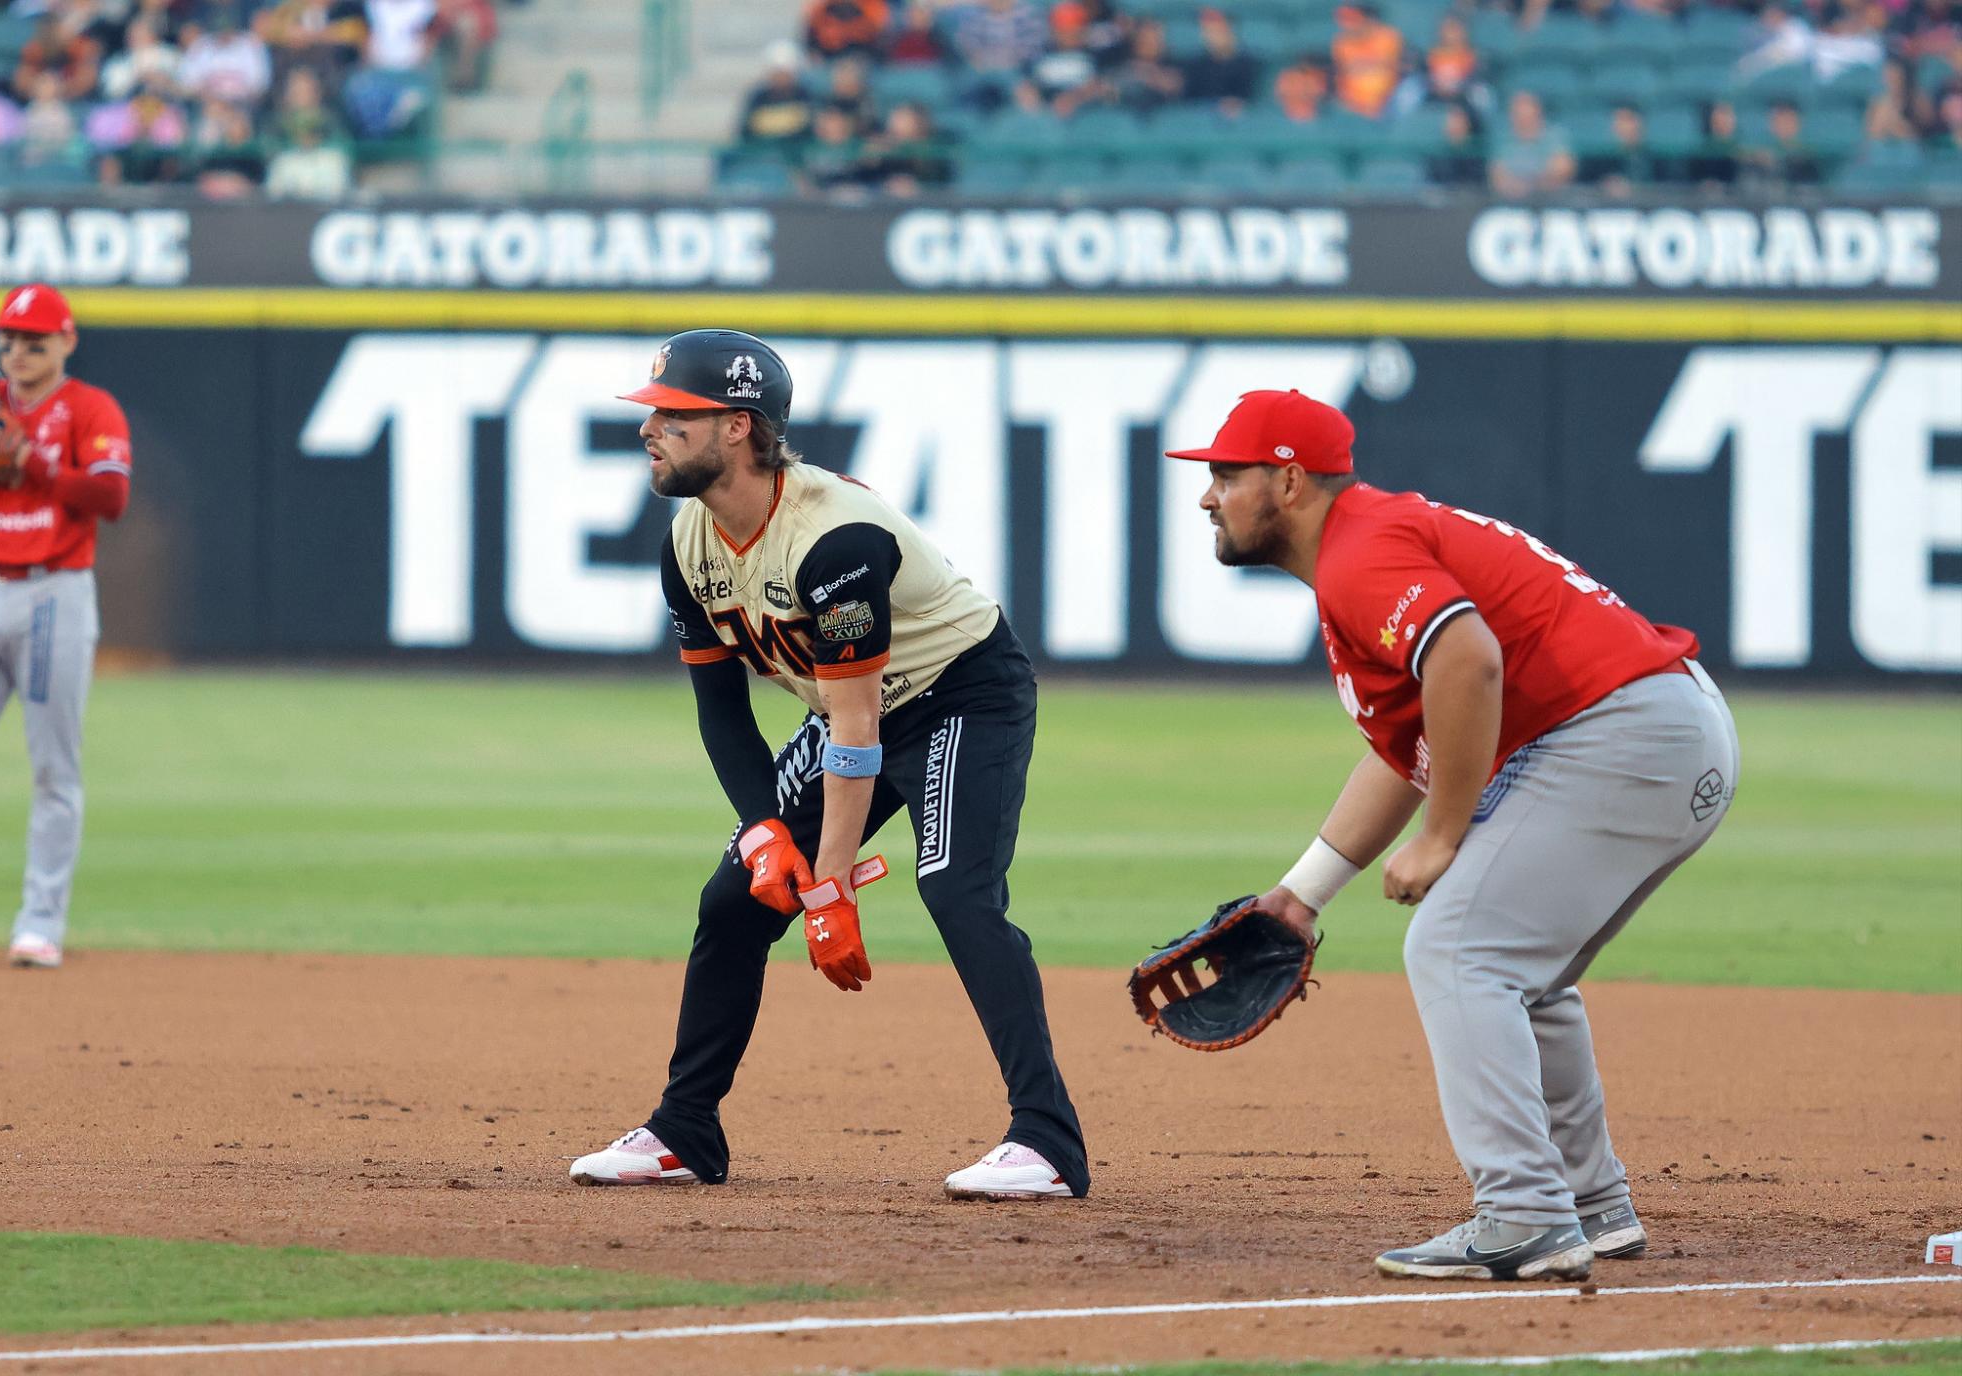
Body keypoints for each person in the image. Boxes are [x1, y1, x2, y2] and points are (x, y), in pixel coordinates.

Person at [1163, 388, 1737, 1281]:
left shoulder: (1360, 555)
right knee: (1519, 970)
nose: (1207, 495)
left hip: (1621, 736)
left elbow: (1467, 661)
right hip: (1655, 731)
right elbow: (1412, 746)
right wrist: (1302, 895)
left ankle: (1524, 1216)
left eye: (1225, 475)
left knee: (1462, 949)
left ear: (1287, 480)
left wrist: (1444, 835)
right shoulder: (1367, 551)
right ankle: (1588, 1205)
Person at [569, 329, 1088, 1203]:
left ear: (738, 428)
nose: (649, 429)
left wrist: (831, 886)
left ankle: (1046, 1140)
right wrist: (765, 833)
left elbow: (857, 723)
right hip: (855, 712)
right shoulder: (688, 544)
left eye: (673, 414)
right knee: (734, 897)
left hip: (958, 692)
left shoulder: (832, 541)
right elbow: (722, 712)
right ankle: (685, 1129)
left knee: (957, 889)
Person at [0, 285, 135, 971]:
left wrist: (34, 463)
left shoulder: (91, 409)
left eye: (35, 341)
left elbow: (111, 496)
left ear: (67, 342)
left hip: (51, 597)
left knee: (53, 770)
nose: (18, 352)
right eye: (9, 340)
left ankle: (39, 924)